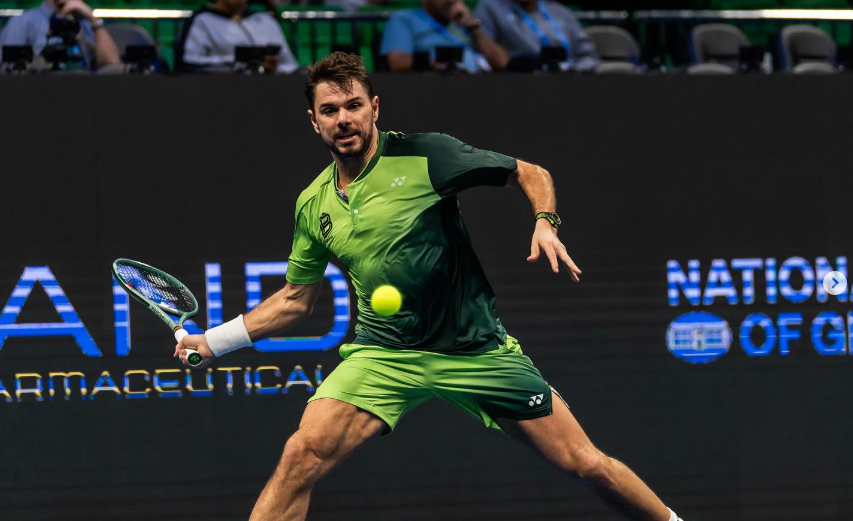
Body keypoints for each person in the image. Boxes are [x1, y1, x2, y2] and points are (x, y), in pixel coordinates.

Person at [174, 52, 685, 521]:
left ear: (375, 108)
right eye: (330, 110)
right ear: (315, 121)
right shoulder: (313, 204)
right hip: (385, 355)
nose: (343, 119)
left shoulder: (425, 155)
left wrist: (545, 222)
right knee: (300, 455)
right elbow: (295, 300)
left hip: (475, 350)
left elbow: (528, 172)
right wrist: (214, 341)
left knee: (587, 465)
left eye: (354, 106)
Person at [379, 0, 507, 73]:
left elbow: (502, 62)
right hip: (435, 86)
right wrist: (434, 60)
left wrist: (472, 27)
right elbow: (397, 62)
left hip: (479, 85)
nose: (451, 1)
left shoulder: (463, 22)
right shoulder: (404, 19)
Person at [473, 0, 599, 72]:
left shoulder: (561, 12)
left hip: (571, 83)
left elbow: (589, 55)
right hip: (521, 84)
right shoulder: (491, 8)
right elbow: (482, 57)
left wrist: (575, 70)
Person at [175, 0, 298, 73]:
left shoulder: (266, 21)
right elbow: (187, 65)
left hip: (270, 92)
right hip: (219, 91)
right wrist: (236, 64)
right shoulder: (201, 20)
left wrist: (274, 68)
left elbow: (292, 67)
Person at [0, 0, 120, 71]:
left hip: (84, 92)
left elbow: (113, 66)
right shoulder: (25, 21)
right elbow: (6, 69)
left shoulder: (85, 22)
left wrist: (94, 20)